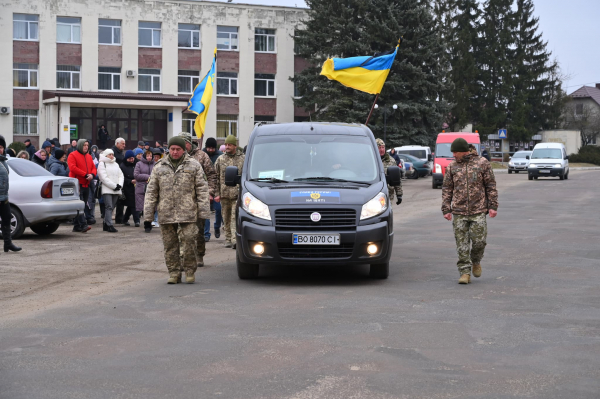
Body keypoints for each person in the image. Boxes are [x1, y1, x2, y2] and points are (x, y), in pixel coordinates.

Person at [144, 136, 210, 284]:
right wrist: (148, 214)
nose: (174, 152)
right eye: (172, 149)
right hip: (166, 212)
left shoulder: (193, 165)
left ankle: (189, 270)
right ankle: (174, 272)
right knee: (170, 245)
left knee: (189, 241)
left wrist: (203, 212)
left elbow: (202, 189)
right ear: (169, 149)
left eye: (178, 149)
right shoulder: (159, 166)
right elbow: (151, 191)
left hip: (188, 212)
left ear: (183, 149)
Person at [442, 138, 499, 285]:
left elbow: (490, 185)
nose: (453, 155)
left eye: (455, 152)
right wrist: (446, 208)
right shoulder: (452, 167)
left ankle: (476, 260)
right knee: (462, 244)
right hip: (459, 211)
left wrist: (493, 206)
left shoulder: (482, 163)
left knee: (479, 241)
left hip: (478, 210)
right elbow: (447, 189)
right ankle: (465, 272)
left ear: (463, 151)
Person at [179, 132, 217, 267]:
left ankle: (199, 254)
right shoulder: (176, 155)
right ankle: (184, 257)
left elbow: (212, 175)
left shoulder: (202, 156)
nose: (181, 146)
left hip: (199, 198)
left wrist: (210, 192)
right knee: (182, 231)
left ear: (190, 143)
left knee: (199, 230)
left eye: (184, 143)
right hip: (181, 200)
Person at [214, 135, 244, 249]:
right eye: (226, 144)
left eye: (229, 145)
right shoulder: (220, 159)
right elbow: (215, 177)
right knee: (225, 217)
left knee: (234, 217)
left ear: (235, 146)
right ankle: (227, 238)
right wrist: (216, 193)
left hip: (237, 193)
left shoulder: (243, 158)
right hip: (224, 193)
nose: (227, 147)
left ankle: (234, 239)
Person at [67, 139, 96, 233]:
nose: (86, 147)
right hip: (77, 183)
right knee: (79, 205)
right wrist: (85, 174)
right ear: (80, 145)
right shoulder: (72, 155)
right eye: (84, 145)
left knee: (82, 205)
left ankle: (76, 226)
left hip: (86, 183)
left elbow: (93, 167)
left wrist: (92, 175)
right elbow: (72, 167)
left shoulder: (88, 156)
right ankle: (83, 224)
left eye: (87, 145)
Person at [0, 135, 22, 253]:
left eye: (2, 147)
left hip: (4, 197)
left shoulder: (3, 161)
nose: (1, 149)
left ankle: (8, 244)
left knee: (7, 218)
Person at [97, 149, 123, 233]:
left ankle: (105, 223)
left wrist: (119, 185)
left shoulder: (116, 164)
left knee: (112, 207)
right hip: (107, 189)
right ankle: (109, 224)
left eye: (112, 154)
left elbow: (121, 175)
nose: (111, 156)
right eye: (109, 154)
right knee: (108, 206)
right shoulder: (102, 164)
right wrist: (114, 186)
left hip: (116, 189)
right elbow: (103, 178)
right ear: (106, 155)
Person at [203, 137, 223, 239]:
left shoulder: (220, 156)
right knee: (205, 211)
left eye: (212, 148)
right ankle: (206, 234)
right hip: (204, 188)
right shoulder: (202, 155)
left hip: (217, 187)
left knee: (219, 209)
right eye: (208, 148)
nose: (210, 150)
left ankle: (216, 226)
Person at [134, 150, 155, 233]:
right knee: (144, 208)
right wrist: (148, 177)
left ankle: (149, 223)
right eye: (147, 156)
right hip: (141, 188)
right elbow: (136, 175)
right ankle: (147, 225)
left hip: (152, 188)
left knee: (151, 208)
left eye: (150, 156)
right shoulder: (139, 164)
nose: (149, 157)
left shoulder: (155, 164)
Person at [376, 139, 403, 205]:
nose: (382, 150)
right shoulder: (371, 160)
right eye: (379, 148)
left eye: (383, 147)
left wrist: (399, 194)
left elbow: (396, 178)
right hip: (374, 194)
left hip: (388, 194)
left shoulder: (391, 161)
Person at [119, 150, 139, 227]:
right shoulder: (122, 166)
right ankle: (136, 220)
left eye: (132, 158)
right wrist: (130, 181)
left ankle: (125, 219)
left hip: (136, 186)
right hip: (127, 187)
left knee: (131, 205)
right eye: (129, 159)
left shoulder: (136, 164)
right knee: (133, 204)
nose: (131, 160)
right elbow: (121, 178)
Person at [111, 138, 126, 223]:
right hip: (114, 178)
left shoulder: (121, 152)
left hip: (121, 177)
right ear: (117, 143)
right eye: (122, 144)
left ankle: (119, 218)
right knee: (114, 199)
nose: (124, 145)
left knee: (121, 199)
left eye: (124, 144)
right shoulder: (112, 152)